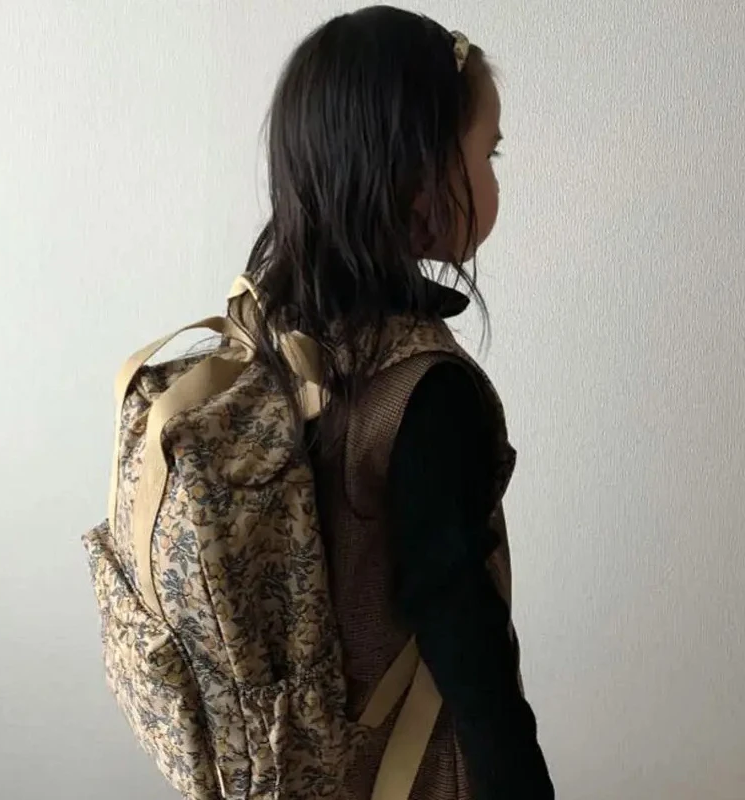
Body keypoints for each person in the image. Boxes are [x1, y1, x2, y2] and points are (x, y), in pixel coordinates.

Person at [244, 6, 554, 799]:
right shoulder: (425, 392)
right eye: (488, 153)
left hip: (309, 762)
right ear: (419, 177)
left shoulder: (281, 332)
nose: (494, 178)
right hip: (408, 768)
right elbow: (464, 636)